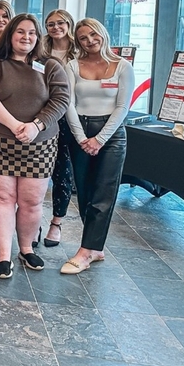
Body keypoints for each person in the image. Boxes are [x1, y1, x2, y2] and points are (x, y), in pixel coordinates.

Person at [0, 13, 70, 279]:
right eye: (20, 32)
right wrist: (15, 124)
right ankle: (4, 254)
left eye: (31, 33)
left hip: (39, 143)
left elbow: (61, 99)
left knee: (31, 201)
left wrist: (35, 126)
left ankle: (26, 248)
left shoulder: (49, 65)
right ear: (10, 34)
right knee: (3, 198)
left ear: (38, 37)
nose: (26, 37)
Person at [61, 19, 134, 274]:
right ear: (77, 42)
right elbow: (68, 103)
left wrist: (100, 139)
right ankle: (95, 246)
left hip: (111, 134)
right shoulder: (72, 66)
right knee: (84, 191)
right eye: (83, 38)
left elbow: (122, 107)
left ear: (103, 33)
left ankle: (85, 251)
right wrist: (82, 138)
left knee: (104, 192)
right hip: (80, 130)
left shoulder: (122, 67)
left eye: (93, 35)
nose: (90, 41)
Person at [40, 9, 78, 248]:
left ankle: (56, 222)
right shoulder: (40, 51)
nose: (55, 28)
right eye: (50, 24)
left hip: (69, 116)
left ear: (69, 24)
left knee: (62, 170)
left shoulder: (79, 52)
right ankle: (31, 223)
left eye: (60, 23)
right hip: (42, 114)